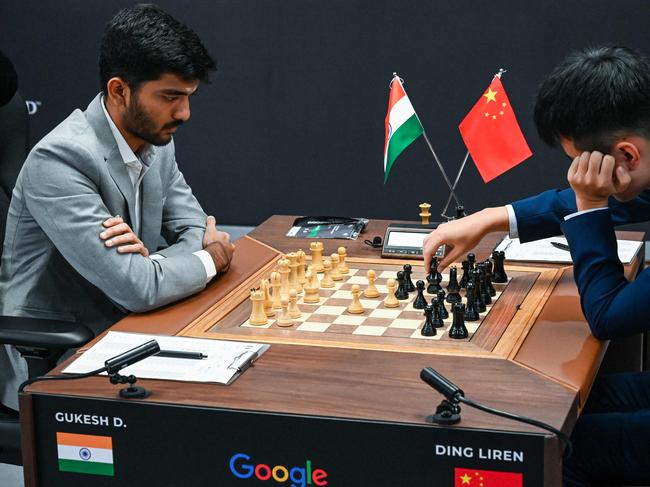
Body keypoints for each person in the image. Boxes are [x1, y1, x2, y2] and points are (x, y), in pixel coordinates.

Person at [423, 46, 650, 485]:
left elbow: (609, 315)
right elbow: (623, 196)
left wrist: (591, 201)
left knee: (551, 447)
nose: (577, 177)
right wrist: (494, 217)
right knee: (549, 404)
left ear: (627, 155)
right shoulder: (642, 156)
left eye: (581, 166)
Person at [0, 4, 235, 410]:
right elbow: (140, 286)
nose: (184, 113)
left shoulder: (155, 139)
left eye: (188, 96)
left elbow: (194, 229)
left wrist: (153, 268)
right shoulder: (59, 160)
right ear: (119, 90)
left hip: (134, 329)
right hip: (58, 357)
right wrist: (210, 259)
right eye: (170, 97)